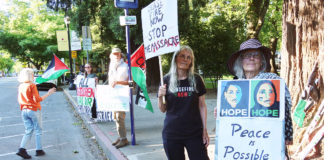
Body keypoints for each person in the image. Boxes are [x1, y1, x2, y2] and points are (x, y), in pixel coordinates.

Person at [215, 38, 293, 157]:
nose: (251, 58)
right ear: (241, 61)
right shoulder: (235, 85)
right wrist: (220, 111)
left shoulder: (272, 79)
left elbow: (285, 107)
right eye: (247, 55)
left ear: (261, 61)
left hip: (269, 140)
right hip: (243, 144)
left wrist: (288, 134)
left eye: (255, 55)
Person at [158, 45, 209, 160]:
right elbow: (162, 109)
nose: (185, 59)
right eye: (182, 56)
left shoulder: (196, 79)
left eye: (188, 57)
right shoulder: (165, 80)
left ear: (191, 62)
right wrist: (160, 97)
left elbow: (202, 105)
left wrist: (204, 130)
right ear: (175, 58)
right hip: (172, 133)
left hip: (194, 132)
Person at [16, 68, 56, 159]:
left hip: (24, 110)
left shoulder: (21, 86)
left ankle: (22, 149)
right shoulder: (32, 85)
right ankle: (39, 150)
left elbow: (19, 100)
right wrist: (49, 93)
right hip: (33, 110)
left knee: (28, 130)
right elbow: (38, 99)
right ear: (29, 76)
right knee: (38, 130)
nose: (34, 76)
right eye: (32, 74)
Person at [108, 48, 129, 148]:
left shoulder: (125, 66)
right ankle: (120, 137)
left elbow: (130, 82)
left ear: (121, 55)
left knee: (119, 117)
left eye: (118, 54)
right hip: (113, 95)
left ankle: (124, 139)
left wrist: (118, 82)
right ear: (111, 56)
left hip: (122, 95)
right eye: (114, 54)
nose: (116, 56)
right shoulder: (111, 66)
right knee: (115, 117)